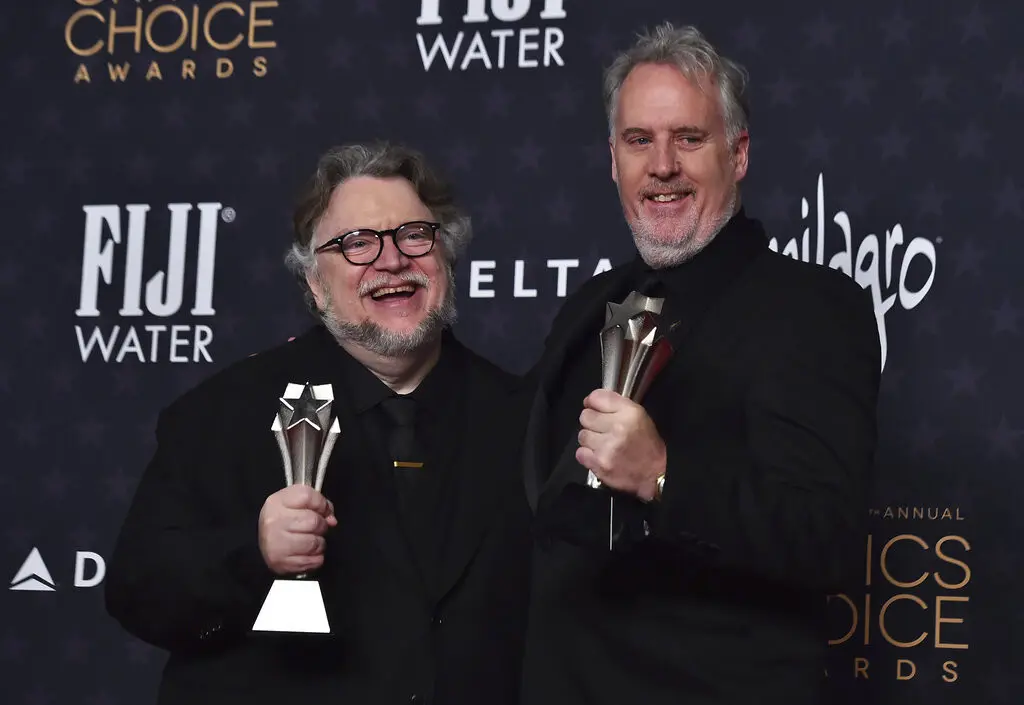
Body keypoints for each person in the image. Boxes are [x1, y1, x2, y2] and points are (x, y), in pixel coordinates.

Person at [518, 22, 881, 705]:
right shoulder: (589, 304)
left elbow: (825, 537)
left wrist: (663, 474)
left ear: (737, 154)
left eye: (689, 138)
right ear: (613, 159)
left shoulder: (812, 308)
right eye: (638, 141)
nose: (662, 166)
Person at [104, 142, 532, 705]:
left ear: (446, 255)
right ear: (313, 282)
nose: (392, 260)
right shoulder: (221, 414)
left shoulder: (526, 416)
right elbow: (139, 592)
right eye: (356, 244)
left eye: (413, 235)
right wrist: (251, 553)